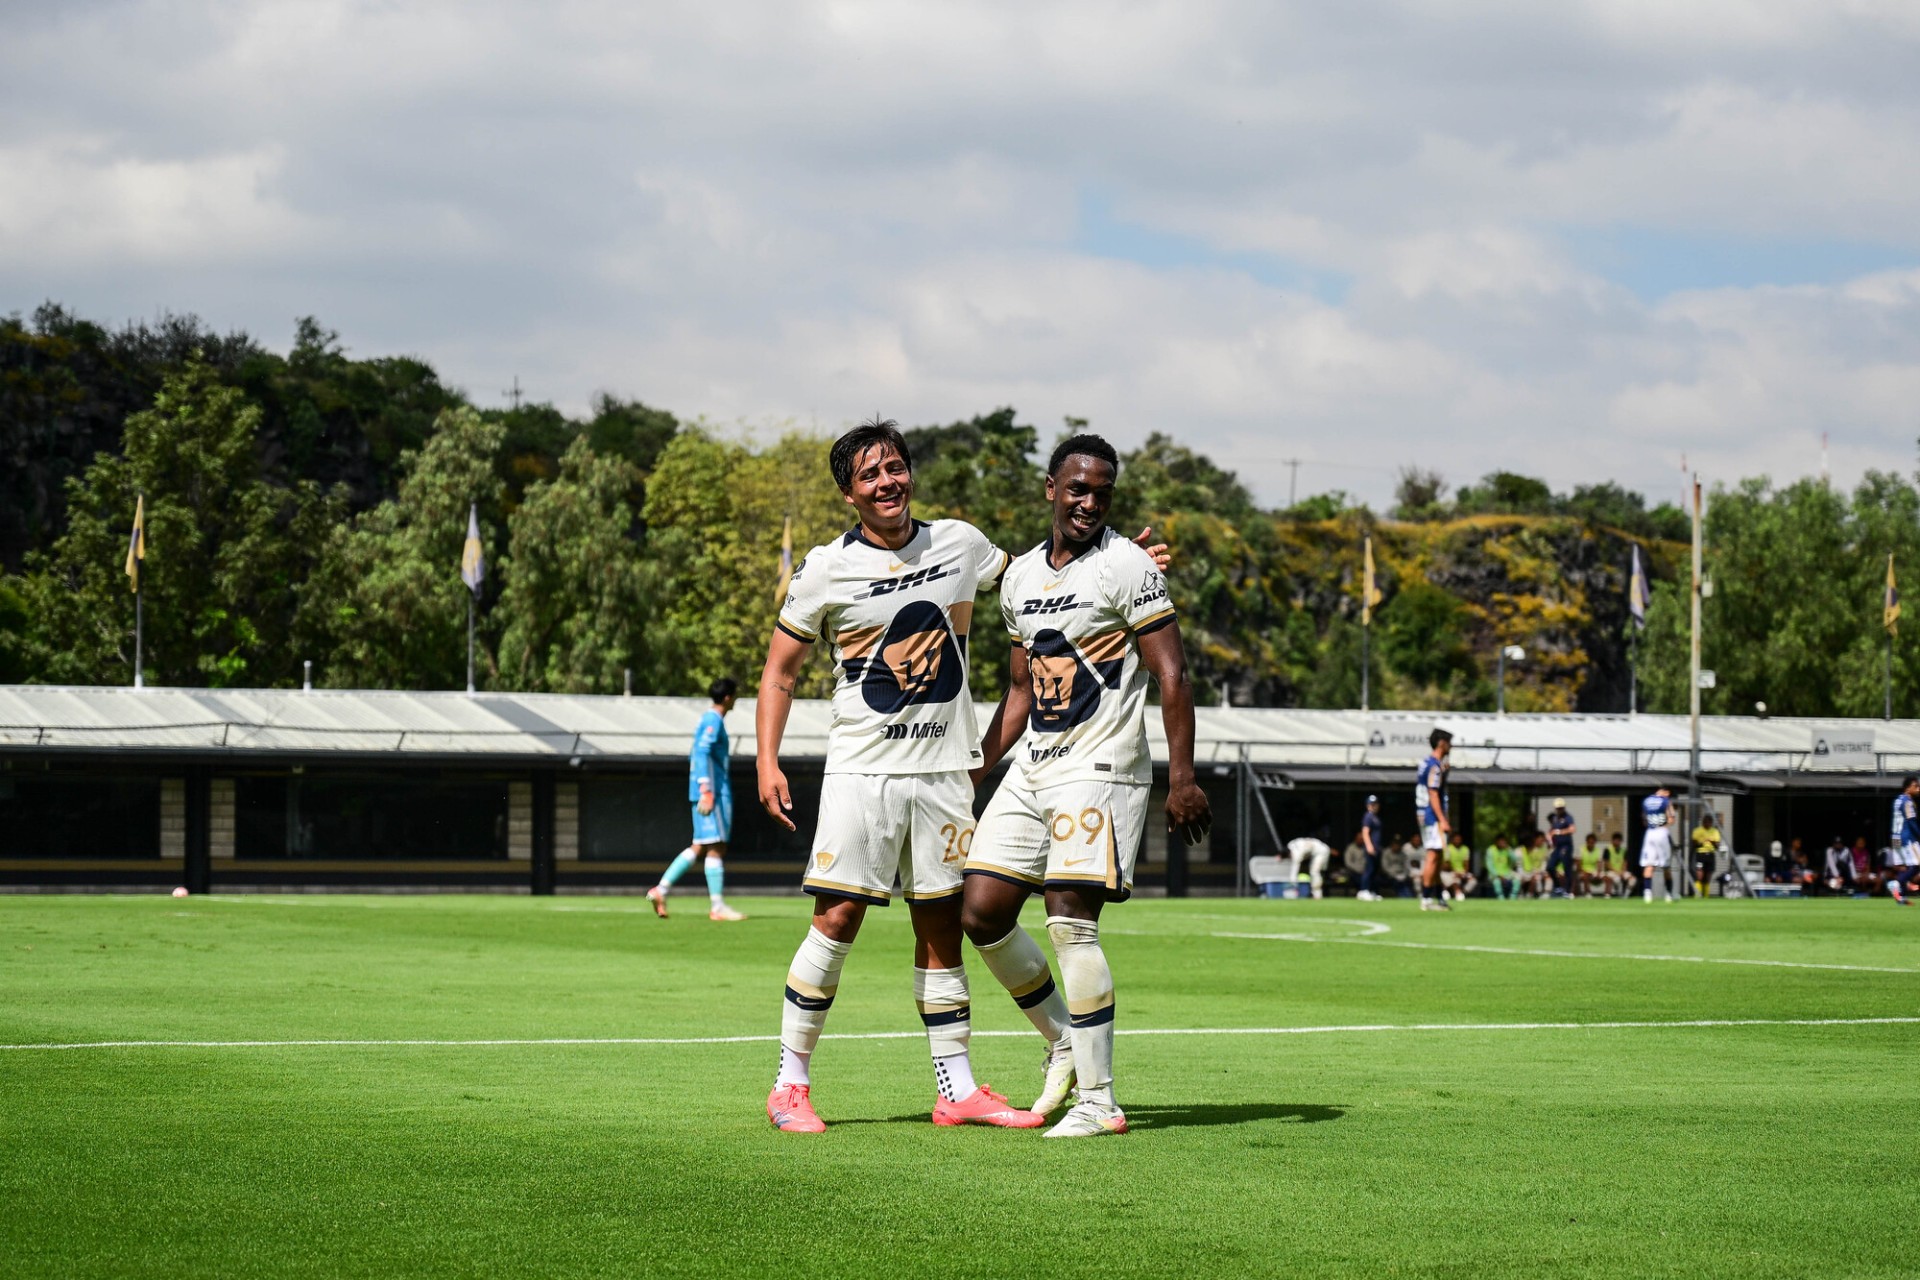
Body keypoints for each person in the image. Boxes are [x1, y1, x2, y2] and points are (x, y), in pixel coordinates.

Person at [755, 419, 1139, 1134]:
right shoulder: (825, 567)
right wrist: (767, 761)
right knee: (837, 919)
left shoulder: (961, 543)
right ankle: (790, 1086)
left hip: (945, 778)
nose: (887, 483)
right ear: (848, 494)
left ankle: (956, 1089)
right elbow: (780, 671)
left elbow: (1039, 574)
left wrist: (1119, 563)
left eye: (895, 468)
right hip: (863, 772)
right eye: (870, 475)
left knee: (940, 930)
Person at [962, 433, 1208, 1139]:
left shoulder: (1128, 566)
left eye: (1102, 492)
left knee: (1069, 916)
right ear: (1051, 488)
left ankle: (1099, 1102)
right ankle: (1065, 1040)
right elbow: (1020, 689)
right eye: (1077, 488)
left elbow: (1172, 673)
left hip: (1101, 766)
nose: (1089, 502)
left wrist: (1182, 777)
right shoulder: (1018, 579)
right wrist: (977, 768)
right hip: (1034, 765)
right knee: (980, 911)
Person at [648, 678, 746, 922]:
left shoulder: (707, 719)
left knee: (700, 845)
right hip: (713, 791)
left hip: (705, 790)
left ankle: (661, 890)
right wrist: (706, 789)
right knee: (716, 846)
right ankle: (717, 907)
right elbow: (701, 752)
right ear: (728, 697)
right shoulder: (713, 720)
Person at [1414, 729, 1454, 911]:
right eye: (1449, 742)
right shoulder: (1434, 766)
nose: (1451, 746)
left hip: (1424, 813)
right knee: (1433, 856)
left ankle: (1438, 896)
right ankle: (1426, 898)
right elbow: (1433, 793)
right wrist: (1442, 819)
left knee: (1437, 856)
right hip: (1432, 815)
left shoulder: (1425, 763)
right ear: (1441, 743)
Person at [1886, 776, 1918, 906]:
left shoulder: (1897, 800)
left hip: (1896, 838)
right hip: (1906, 837)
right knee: (1917, 865)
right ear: (1907, 788)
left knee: (1903, 867)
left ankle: (1901, 898)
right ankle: (1896, 884)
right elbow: (1911, 821)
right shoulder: (1907, 801)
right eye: (1916, 786)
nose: (1918, 789)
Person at [1641, 786, 1676, 902]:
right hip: (1661, 832)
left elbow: (1644, 819)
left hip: (1650, 833)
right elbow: (1671, 820)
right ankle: (1669, 894)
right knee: (1666, 866)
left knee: (1649, 865)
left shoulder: (1646, 801)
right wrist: (1664, 825)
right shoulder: (1666, 801)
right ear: (1666, 792)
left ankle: (1647, 894)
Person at [1545, 800, 1577, 898]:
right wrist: (1549, 837)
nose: (1559, 810)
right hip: (1557, 847)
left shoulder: (1568, 817)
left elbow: (1572, 829)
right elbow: (1551, 831)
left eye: (1561, 808)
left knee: (1567, 867)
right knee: (1550, 867)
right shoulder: (1555, 818)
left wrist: (1559, 832)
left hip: (1566, 846)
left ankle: (1567, 891)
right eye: (1558, 808)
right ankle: (1558, 887)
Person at [1356, 796, 1385, 902]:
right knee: (1369, 869)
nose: (1374, 806)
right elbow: (1365, 832)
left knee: (1375, 871)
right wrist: (1369, 845)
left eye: (1375, 804)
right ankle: (1364, 890)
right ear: (1368, 805)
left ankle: (1372, 891)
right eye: (1372, 804)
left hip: (1376, 847)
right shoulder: (1368, 817)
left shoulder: (1375, 817)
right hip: (1371, 847)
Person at [1691, 811, 1724, 900]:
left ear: (1711, 823)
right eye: (1705, 822)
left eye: (1709, 822)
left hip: (1710, 854)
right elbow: (1694, 843)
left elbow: (1717, 845)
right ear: (1703, 822)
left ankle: (1706, 895)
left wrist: (1712, 842)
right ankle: (1698, 894)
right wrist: (1702, 843)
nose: (1707, 824)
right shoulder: (1697, 831)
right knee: (1700, 874)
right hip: (1700, 854)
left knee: (1708, 875)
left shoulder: (1714, 831)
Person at [1288, 836, 1333, 900]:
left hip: (1322, 851)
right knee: (1314, 872)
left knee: (1314, 872)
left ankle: (1317, 895)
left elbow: (1295, 868)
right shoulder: (1293, 844)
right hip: (1318, 850)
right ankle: (1316, 894)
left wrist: (1292, 882)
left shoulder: (1295, 850)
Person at [1441, 835, 1475, 900]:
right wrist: (1455, 872)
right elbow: (1446, 864)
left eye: (1459, 839)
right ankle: (1455, 892)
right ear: (1452, 840)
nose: (1457, 841)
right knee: (1454, 880)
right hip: (1451, 872)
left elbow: (1466, 864)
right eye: (1456, 839)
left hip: (1462, 872)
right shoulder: (1448, 849)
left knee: (1473, 880)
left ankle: (1462, 892)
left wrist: (1464, 873)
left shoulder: (1465, 849)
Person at [1578, 833, 1604, 897]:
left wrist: (1598, 873)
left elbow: (1599, 864)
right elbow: (1579, 865)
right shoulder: (1581, 849)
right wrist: (1583, 871)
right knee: (1586, 876)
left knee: (1607, 878)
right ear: (1586, 842)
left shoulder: (1598, 851)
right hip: (1583, 871)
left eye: (1592, 843)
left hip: (1593, 871)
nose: (1591, 844)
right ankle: (1588, 893)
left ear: (1595, 843)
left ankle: (1607, 895)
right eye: (1589, 842)